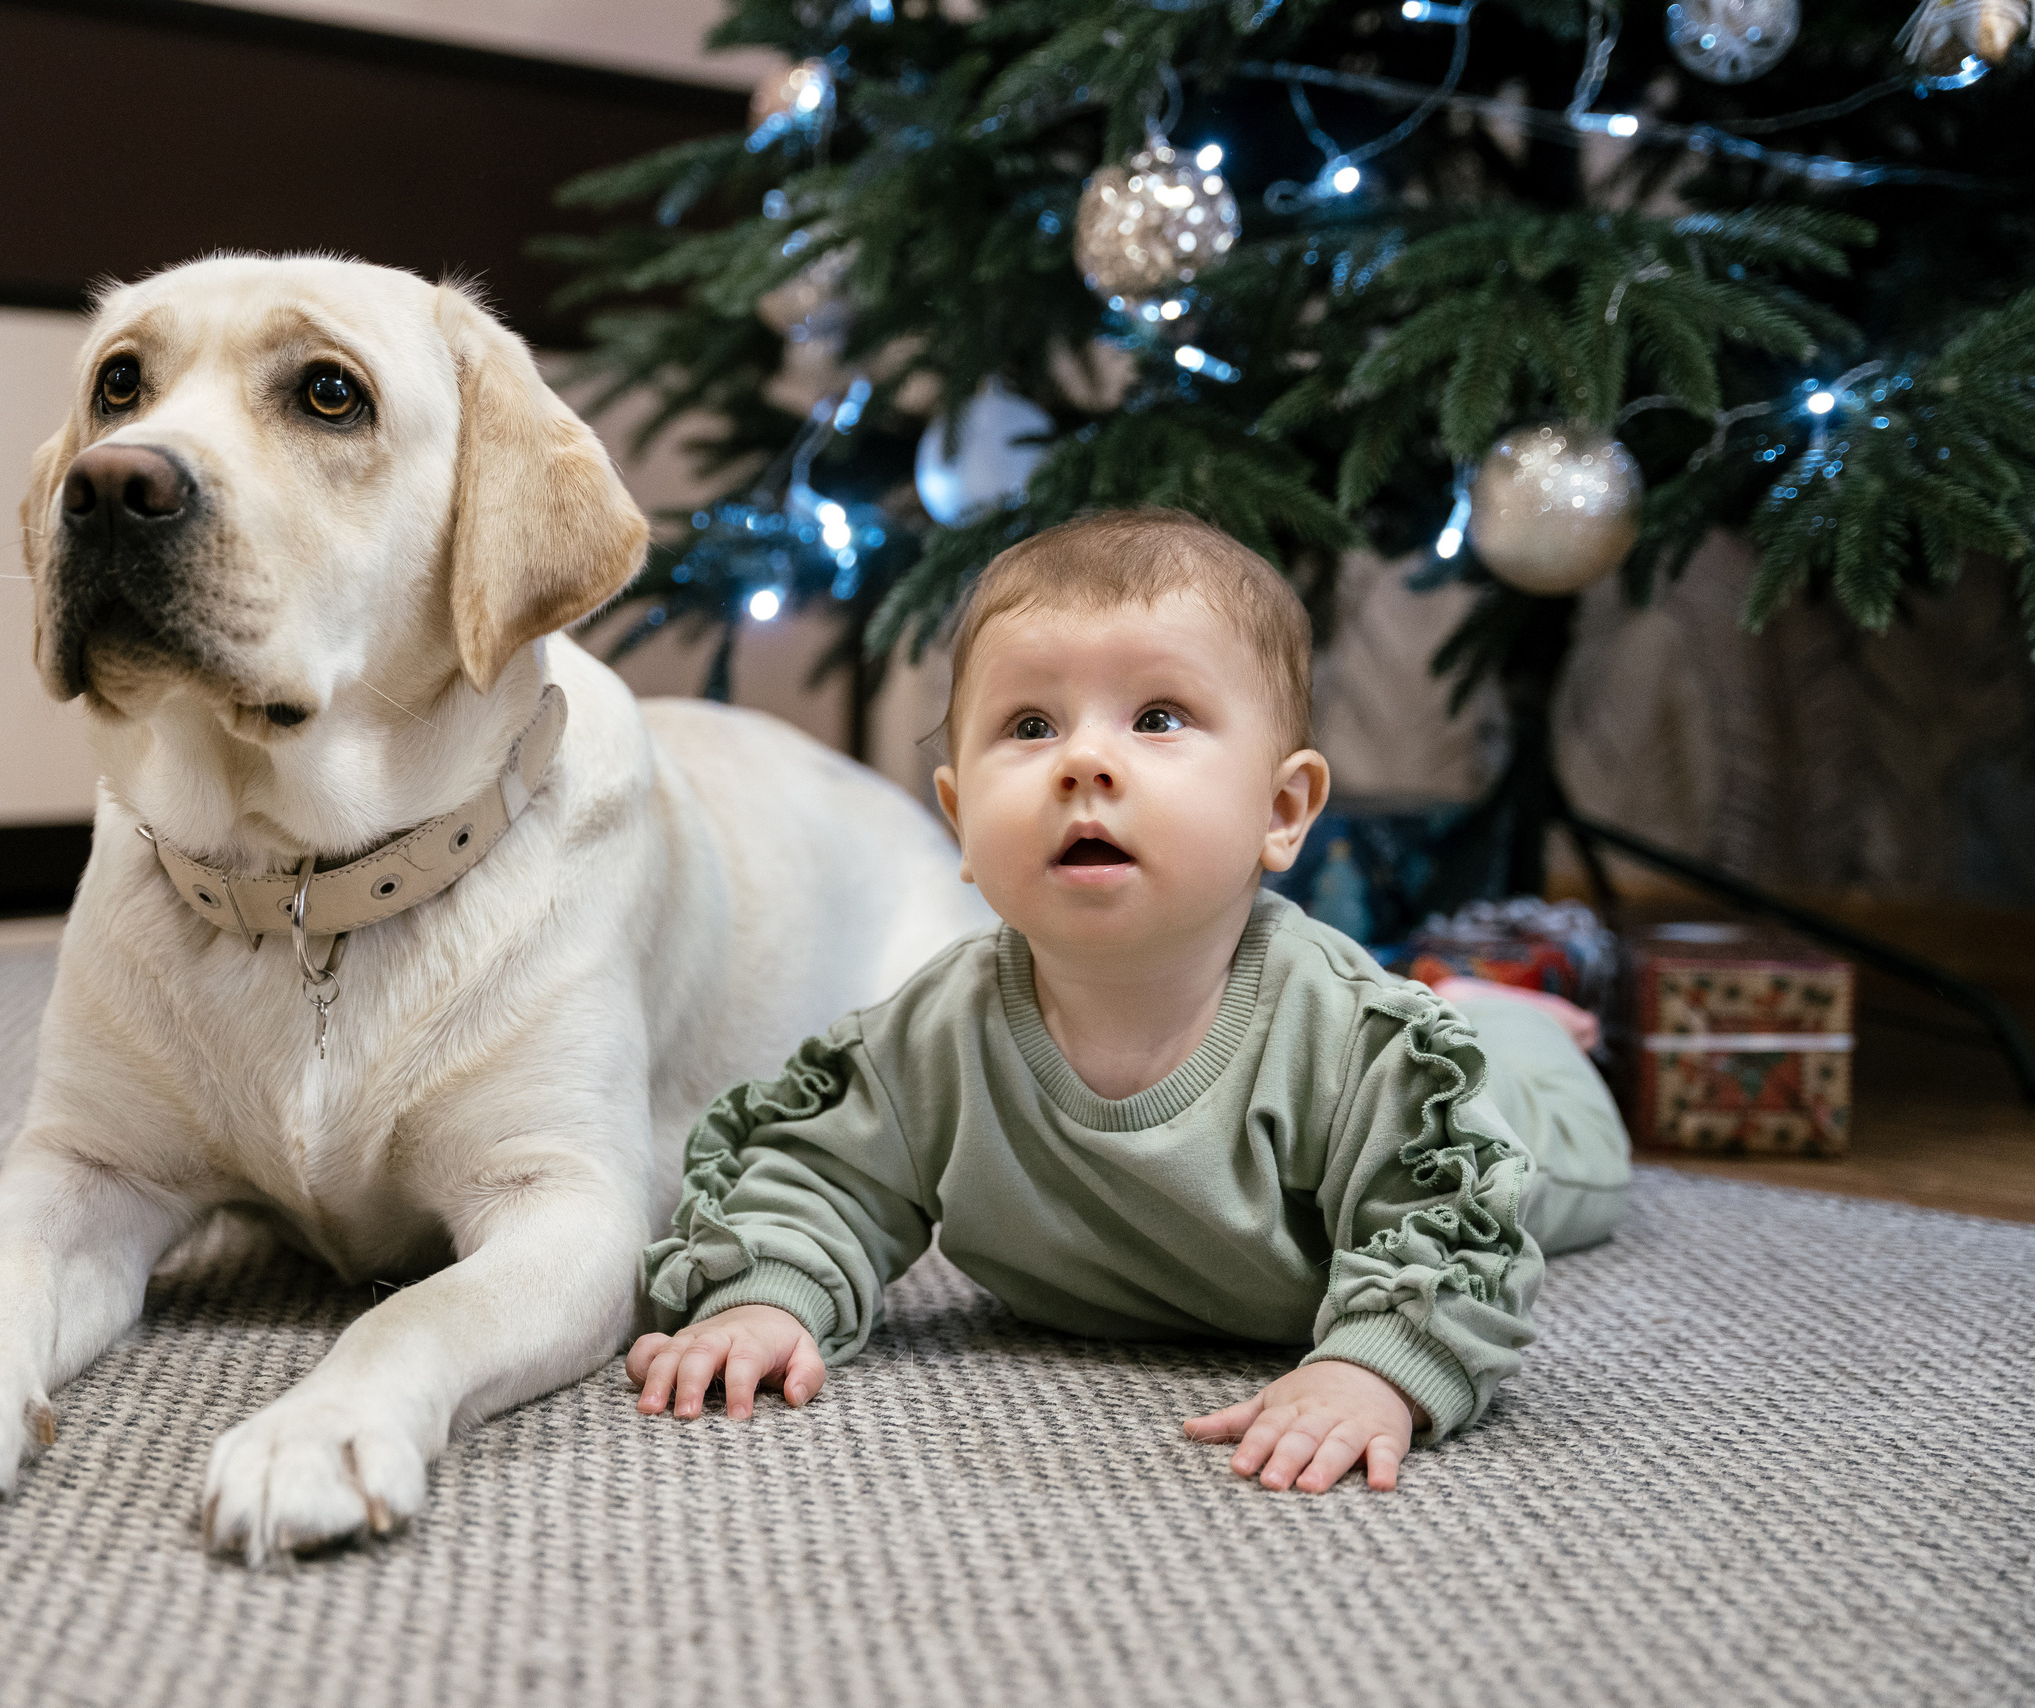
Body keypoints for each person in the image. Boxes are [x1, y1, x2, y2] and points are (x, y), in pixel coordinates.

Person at [624, 509, 1631, 1493]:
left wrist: (1370, 1367)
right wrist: (767, 1295)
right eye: (1030, 725)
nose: (1084, 762)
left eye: (1157, 718)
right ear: (961, 820)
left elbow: (1447, 1220)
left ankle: (1506, 1019)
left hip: (1504, 1106)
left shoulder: (1351, 1045)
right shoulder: (937, 1030)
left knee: (1542, 1145)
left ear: (1280, 813)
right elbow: (820, 1173)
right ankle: (1452, 994)